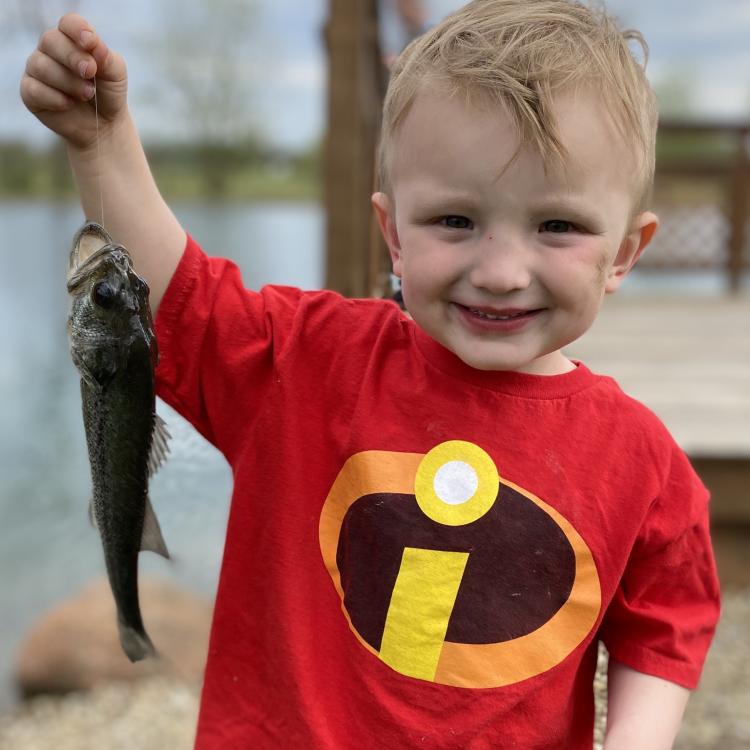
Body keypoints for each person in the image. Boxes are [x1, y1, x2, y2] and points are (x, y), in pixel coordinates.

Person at [21, 1, 721, 748]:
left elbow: (667, 623)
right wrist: (102, 144)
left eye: (558, 226)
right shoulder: (305, 362)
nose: (501, 271)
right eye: (455, 221)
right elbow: (182, 299)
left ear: (624, 252)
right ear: (392, 233)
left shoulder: (641, 461)